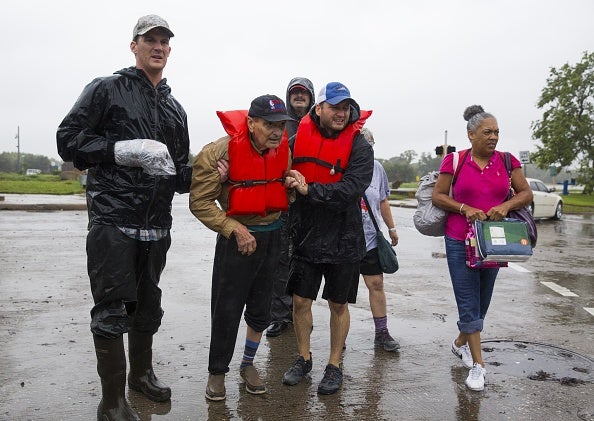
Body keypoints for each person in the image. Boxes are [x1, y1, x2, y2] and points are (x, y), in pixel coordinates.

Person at [56, 15, 191, 420]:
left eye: (164, 41)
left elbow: (179, 174)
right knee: (112, 311)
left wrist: (212, 171)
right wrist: (119, 150)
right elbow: (68, 140)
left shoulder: (176, 110)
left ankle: (141, 375)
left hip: (157, 226)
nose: (158, 47)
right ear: (134, 46)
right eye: (150, 40)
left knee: (147, 306)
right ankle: (112, 402)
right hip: (112, 222)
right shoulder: (106, 89)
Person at [189, 94, 305, 401]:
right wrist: (234, 228)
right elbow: (199, 202)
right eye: (269, 125)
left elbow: (281, 192)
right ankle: (217, 373)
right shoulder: (217, 153)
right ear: (251, 123)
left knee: (261, 308)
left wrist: (292, 186)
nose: (277, 132)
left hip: (273, 236)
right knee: (226, 310)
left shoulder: (283, 150)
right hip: (236, 240)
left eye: (281, 125)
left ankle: (248, 364)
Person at [432, 105, 533, 391]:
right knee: (468, 300)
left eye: (497, 132)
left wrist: (506, 206)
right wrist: (464, 208)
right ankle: (479, 366)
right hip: (459, 239)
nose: (493, 137)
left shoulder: (507, 160)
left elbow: (526, 193)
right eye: (487, 132)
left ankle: (460, 343)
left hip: (493, 240)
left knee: (482, 301)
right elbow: (439, 196)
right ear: (471, 134)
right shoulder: (455, 160)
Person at [282, 82, 374, 395]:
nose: (341, 113)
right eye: (335, 107)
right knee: (300, 301)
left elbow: (352, 189)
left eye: (346, 108)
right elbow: (274, 163)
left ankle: (334, 364)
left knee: (338, 304)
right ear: (318, 108)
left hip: (344, 236)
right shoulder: (296, 140)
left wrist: (310, 190)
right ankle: (304, 357)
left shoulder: (360, 146)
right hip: (306, 233)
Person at [266, 77, 316, 338]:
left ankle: (303, 313)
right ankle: (279, 316)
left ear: (311, 97)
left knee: (309, 261)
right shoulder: (279, 123)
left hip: (311, 201)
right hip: (284, 200)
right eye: (294, 92)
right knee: (280, 260)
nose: (299, 96)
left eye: (303, 93)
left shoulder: (320, 124)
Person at [358, 128, 400, 352]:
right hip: (345, 240)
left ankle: (382, 333)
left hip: (371, 237)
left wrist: (391, 228)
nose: (368, 150)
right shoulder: (343, 166)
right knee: (341, 293)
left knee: (376, 284)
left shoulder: (377, 169)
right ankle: (339, 335)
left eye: (371, 145)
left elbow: (383, 200)